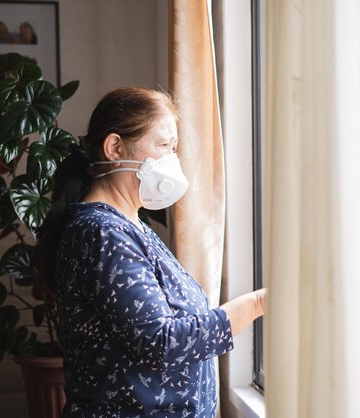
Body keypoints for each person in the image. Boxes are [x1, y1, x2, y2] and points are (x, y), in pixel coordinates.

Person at [33, 87, 266, 417]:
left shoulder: (130, 224)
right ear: (115, 147)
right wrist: (258, 303)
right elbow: (163, 342)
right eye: (163, 147)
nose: (172, 160)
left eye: (174, 148)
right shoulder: (102, 232)